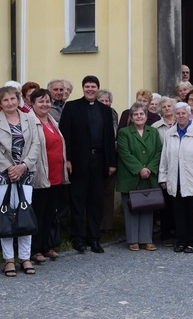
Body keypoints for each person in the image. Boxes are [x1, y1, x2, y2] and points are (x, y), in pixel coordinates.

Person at [0, 86, 41, 276]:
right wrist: (9, 168)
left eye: (13, 99)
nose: (10, 103)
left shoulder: (29, 118)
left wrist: (23, 166)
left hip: (25, 171)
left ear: (18, 100)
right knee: (6, 215)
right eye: (5, 100)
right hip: (3, 173)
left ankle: (25, 257)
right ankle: (8, 259)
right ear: (0, 103)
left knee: (25, 213)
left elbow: (36, 144)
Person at [59, 75, 117, 254]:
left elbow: (109, 138)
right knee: (78, 200)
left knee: (96, 201)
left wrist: (111, 162)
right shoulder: (71, 107)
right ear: (83, 88)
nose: (90, 89)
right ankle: (77, 237)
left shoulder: (105, 110)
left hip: (99, 161)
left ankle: (94, 237)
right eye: (87, 86)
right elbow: (65, 135)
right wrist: (67, 159)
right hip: (78, 161)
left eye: (93, 86)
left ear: (98, 89)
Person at [159, 102, 193, 253]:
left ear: (189, 115)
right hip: (175, 180)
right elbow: (165, 157)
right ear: (174, 115)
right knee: (178, 214)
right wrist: (163, 176)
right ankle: (181, 241)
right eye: (178, 113)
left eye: (183, 113)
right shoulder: (170, 133)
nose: (181, 116)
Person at [29, 89, 69, 262]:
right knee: (38, 213)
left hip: (55, 175)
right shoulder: (30, 121)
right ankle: (34, 249)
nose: (45, 104)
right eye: (40, 101)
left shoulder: (51, 120)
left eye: (47, 101)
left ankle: (46, 246)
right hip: (40, 175)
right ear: (32, 104)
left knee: (49, 213)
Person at [117, 103, 162, 251]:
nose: (139, 117)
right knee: (131, 208)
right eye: (135, 114)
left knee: (147, 208)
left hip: (149, 176)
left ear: (146, 116)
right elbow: (124, 153)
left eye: (141, 114)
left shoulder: (153, 132)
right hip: (131, 176)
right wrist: (139, 169)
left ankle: (146, 239)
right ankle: (133, 240)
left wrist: (149, 168)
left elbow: (158, 152)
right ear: (131, 117)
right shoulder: (124, 132)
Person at [151, 97, 177, 244]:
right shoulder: (155, 127)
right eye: (164, 106)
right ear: (160, 110)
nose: (167, 108)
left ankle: (178, 231)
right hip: (163, 167)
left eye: (169, 106)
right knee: (165, 203)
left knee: (178, 202)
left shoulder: (180, 123)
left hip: (179, 168)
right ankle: (165, 234)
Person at [97, 88, 120, 233]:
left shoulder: (114, 114)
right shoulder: (93, 114)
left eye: (107, 100)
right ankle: (96, 224)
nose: (105, 103)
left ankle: (107, 225)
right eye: (102, 100)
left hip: (111, 157)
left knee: (109, 192)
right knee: (96, 192)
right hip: (97, 157)